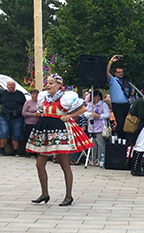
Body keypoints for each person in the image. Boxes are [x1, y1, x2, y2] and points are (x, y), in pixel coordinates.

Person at [26, 74, 93, 206]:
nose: (48, 85)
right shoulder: (44, 97)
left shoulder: (65, 98)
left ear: (58, 85)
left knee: (64, 164)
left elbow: (84, 108)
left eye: (51, 83)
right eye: (48, 83)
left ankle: (68, 196)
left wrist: (69, 116)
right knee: (39, 164)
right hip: (45, 131)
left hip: (60, 131)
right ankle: (44, 193)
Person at [0, 80, 27, 156]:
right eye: (9, 85)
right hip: (4, 116)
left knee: (16, 134)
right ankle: (2, 150)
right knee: (4, 132)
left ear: (15, 86)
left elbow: (24, 104)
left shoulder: (20, 94)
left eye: (12, 85)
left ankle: (16, 151)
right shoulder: (3, 93)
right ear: (7, 86)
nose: (11, 86)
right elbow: (0, 102)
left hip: (17, 116)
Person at [106, 56, 131, 136]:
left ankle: (125, 140)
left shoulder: (126, 81)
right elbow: (106, 72)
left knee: (126, 124)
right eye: (119, 72)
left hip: (126, 105)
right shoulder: (113, 80)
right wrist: (111, 61)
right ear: (115, 73)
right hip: (117, 105)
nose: (121, 73)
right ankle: (119, 138)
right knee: (120, 123)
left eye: (122, 72)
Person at [84, 90, 110, 167]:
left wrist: (99, 116)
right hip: (92, 126)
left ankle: (100, 160)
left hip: (100, 126)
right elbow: (85, 113)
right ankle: (93, 159)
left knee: (100, 143)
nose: (96, 98)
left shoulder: (103, 104)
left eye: (98, 96)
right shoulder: (89, 104)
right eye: (95, 96)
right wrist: (91, 115)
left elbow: (107, 115)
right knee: (93, 144)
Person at [22, 89, 40, 157]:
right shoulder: (28, 102)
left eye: (36, 94)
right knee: (29, 137)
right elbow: (24, 113)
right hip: (29, 122)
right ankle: (29, 152)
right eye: (33, 94)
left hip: (38, 122)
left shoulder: (40, 102)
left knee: (37, 138)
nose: (35, 96)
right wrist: (33, 114)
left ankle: (36, 152)